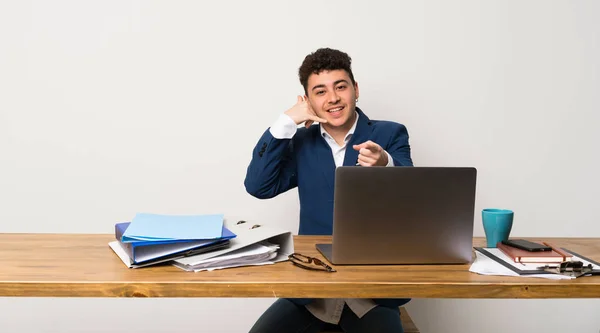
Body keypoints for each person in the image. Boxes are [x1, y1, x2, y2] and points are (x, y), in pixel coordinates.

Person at [244, 48, 413, 333]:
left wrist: (385, 164)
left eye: (341, 87)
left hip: (371, 292)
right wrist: (286, 122)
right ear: (308, 101)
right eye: (320, 91)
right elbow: (259, 186)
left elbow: (415, 195)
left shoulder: (390, 134)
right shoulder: (300, 142)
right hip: (313, 289)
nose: (333, 98)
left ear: (355, 90)